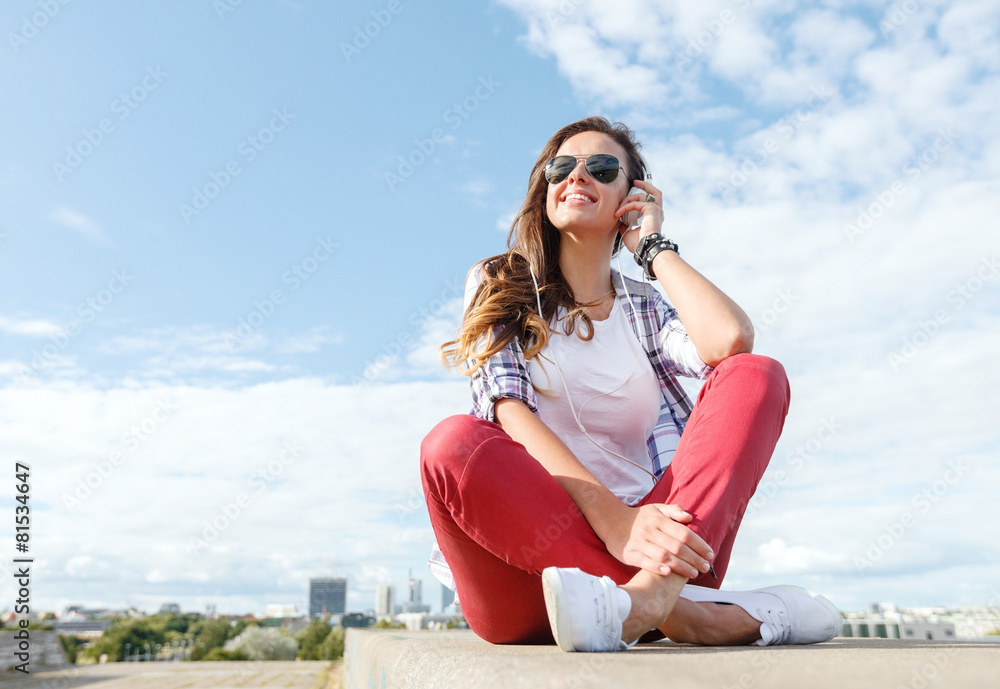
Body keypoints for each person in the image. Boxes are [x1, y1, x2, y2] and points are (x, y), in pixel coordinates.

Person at [420, 116, 840, 652]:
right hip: (528, 570)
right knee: (451, 444)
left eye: (601, 167)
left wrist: (653, 246)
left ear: (630, 197)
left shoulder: (644, 305)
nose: (577, 176)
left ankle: (649, 602)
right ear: (544, 188)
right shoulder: (498, 281)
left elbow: (731, 339)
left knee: (755, 374)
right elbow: (507, 408)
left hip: (663, 548)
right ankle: (686, 618)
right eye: (561, 166)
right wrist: (616, 524)